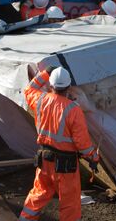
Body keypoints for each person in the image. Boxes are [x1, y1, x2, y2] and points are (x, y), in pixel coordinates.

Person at [19, 66, 99, 221]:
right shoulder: (74, 110)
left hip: (45, 159)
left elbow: (29, 89)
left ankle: (24, 219)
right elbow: (83, 143)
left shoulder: (40, 100)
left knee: (39, 192)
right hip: (66, 165)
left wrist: (46, 72)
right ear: (68, 87)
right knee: (69, 202)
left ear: (51, 85)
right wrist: (93, 157)